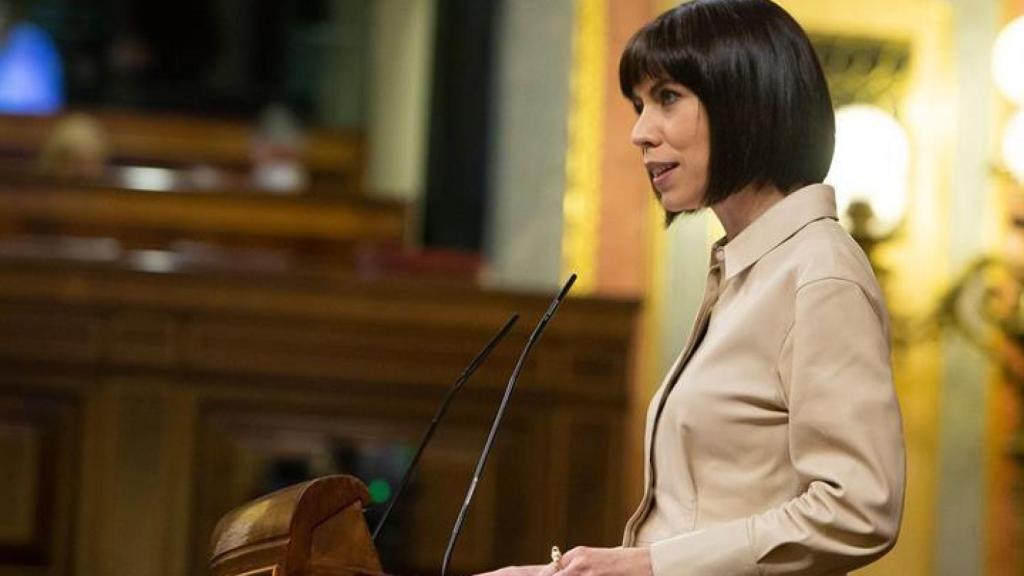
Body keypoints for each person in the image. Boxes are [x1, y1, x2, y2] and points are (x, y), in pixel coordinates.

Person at [480, 1, 905, 575]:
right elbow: (700, 521)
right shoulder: (748, 269)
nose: (639, 132)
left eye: (667, 98)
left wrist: (650, 567)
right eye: (638, 105)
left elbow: (859, 509)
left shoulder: (819, 274)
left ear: (743, 100)